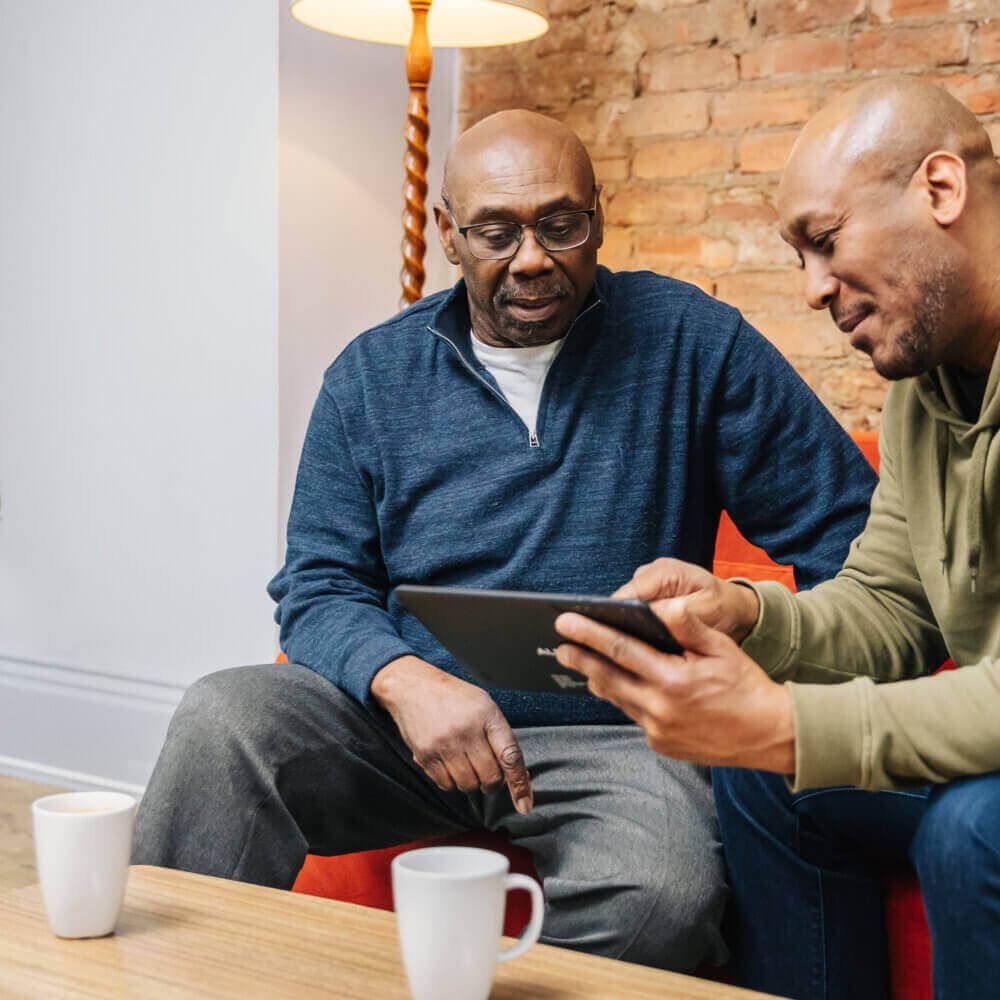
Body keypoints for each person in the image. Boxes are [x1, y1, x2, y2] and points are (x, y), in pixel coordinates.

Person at [132, 110, 875, 972]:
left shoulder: (693, 344)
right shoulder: (370, 376)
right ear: (447, 234)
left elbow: (851, 535)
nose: (532, 258)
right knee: (223, 717)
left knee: (659, 896)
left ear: (600, 214)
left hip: (619, 737)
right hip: (404, 733)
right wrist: (402, 681)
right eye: (496, 231)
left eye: (561, 225)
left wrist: (752, 635)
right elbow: (317, 584)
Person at [554, 76, 1000, 997]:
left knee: (974, 827)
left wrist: (789, 723)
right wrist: (744, 615)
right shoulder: (927, 393)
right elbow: (889, 606)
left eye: (825, 242)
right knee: (764, 783)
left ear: (942, 189)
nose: (812, 289)